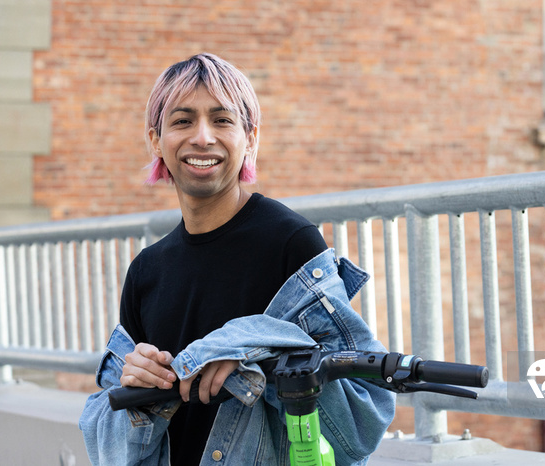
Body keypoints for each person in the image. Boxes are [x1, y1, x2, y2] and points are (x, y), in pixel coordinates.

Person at [79, 53, 395, 465]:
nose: (203, 137)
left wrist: (250, 350)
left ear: (251, 137)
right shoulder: (147, 271)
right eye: (182, 121)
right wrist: (136, 386)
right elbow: (108, 445)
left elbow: (361, 421)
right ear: (156, 140)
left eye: (222, 120)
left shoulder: (290, 243)